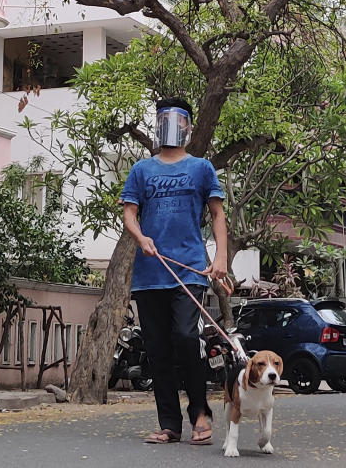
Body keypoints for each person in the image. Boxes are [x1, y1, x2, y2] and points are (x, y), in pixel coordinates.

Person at [120, 97, 228, 445]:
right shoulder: (142, 170)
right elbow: (129, 214)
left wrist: (221, 257)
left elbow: (217, 215)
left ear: (187, 127)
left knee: (185, 336)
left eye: (178, 120)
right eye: (165, 119)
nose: (172, 126)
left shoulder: (201, 167)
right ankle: (169, 424)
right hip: (150, 275)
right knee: (158, 348)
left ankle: (200, 412)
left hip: (191, 270)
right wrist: (140, 237)